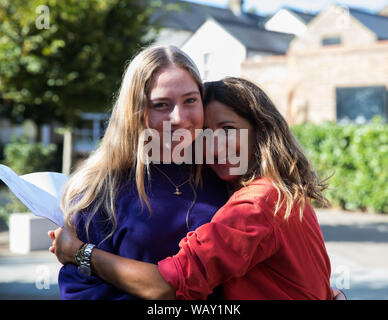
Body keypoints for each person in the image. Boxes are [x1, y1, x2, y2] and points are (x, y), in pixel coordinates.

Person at [50, 77, 345, 300]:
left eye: (228, 130)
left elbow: (168, 285)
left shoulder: (256, 204)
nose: (215, 147)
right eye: (205, 136)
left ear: (262, 129)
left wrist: (78, 252)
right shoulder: (284, 193)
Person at [54, 45, 229, 299]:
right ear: (135, 111)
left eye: (190, 100)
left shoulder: (224, 174)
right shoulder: (100, 189)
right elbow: (80, 291)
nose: (179, 117)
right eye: (161, 105)